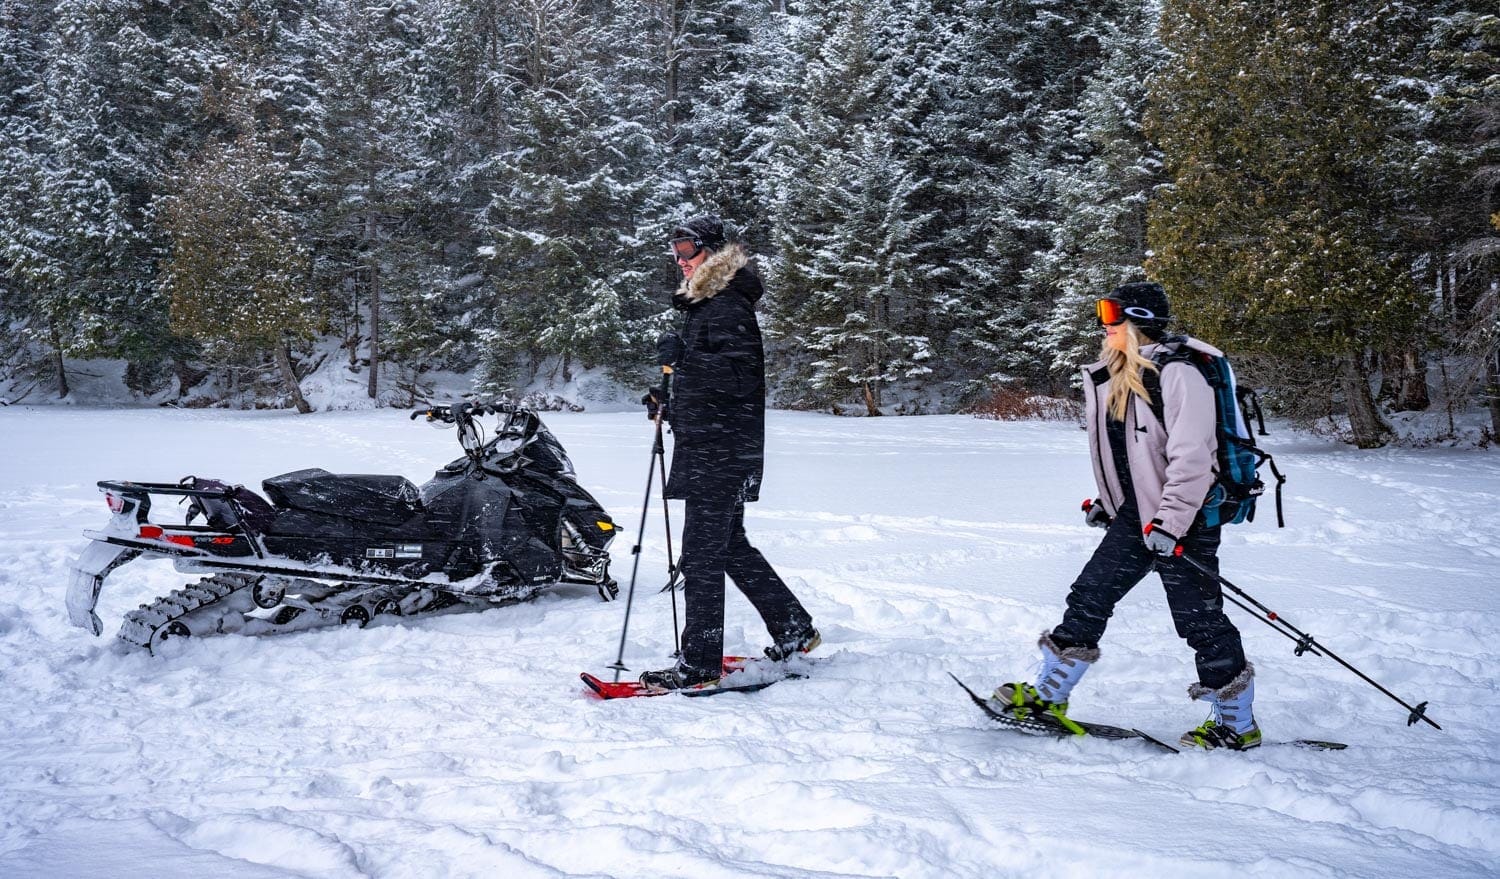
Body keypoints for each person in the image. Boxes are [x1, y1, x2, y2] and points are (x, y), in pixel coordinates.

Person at [992, 281, 1262, 750]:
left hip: (1187, 518)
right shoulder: (1125, 375)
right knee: (1090, 594)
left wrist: (1171, 523)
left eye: (1111, 317)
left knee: (1198, 619)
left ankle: (1237, 726)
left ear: (1135, 321)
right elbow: (1136, 457)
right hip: (1141, 515)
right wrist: (1111, 503)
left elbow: (1192, 459)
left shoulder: (1179, 375)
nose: (1104, 326)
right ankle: (1048, 698)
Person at [637, 214, 819, 691]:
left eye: (687, 249)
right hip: (716, 446)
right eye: (674, 250)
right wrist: (667, 399)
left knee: (700, 555)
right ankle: (793, 627)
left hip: (721, 451)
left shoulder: (727, 307)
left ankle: (699, 664)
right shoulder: (707, 306)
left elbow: (738, 381)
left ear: (712, 253)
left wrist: (685, 360)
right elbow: (709, 383)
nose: (678, 260)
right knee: (728, 546)